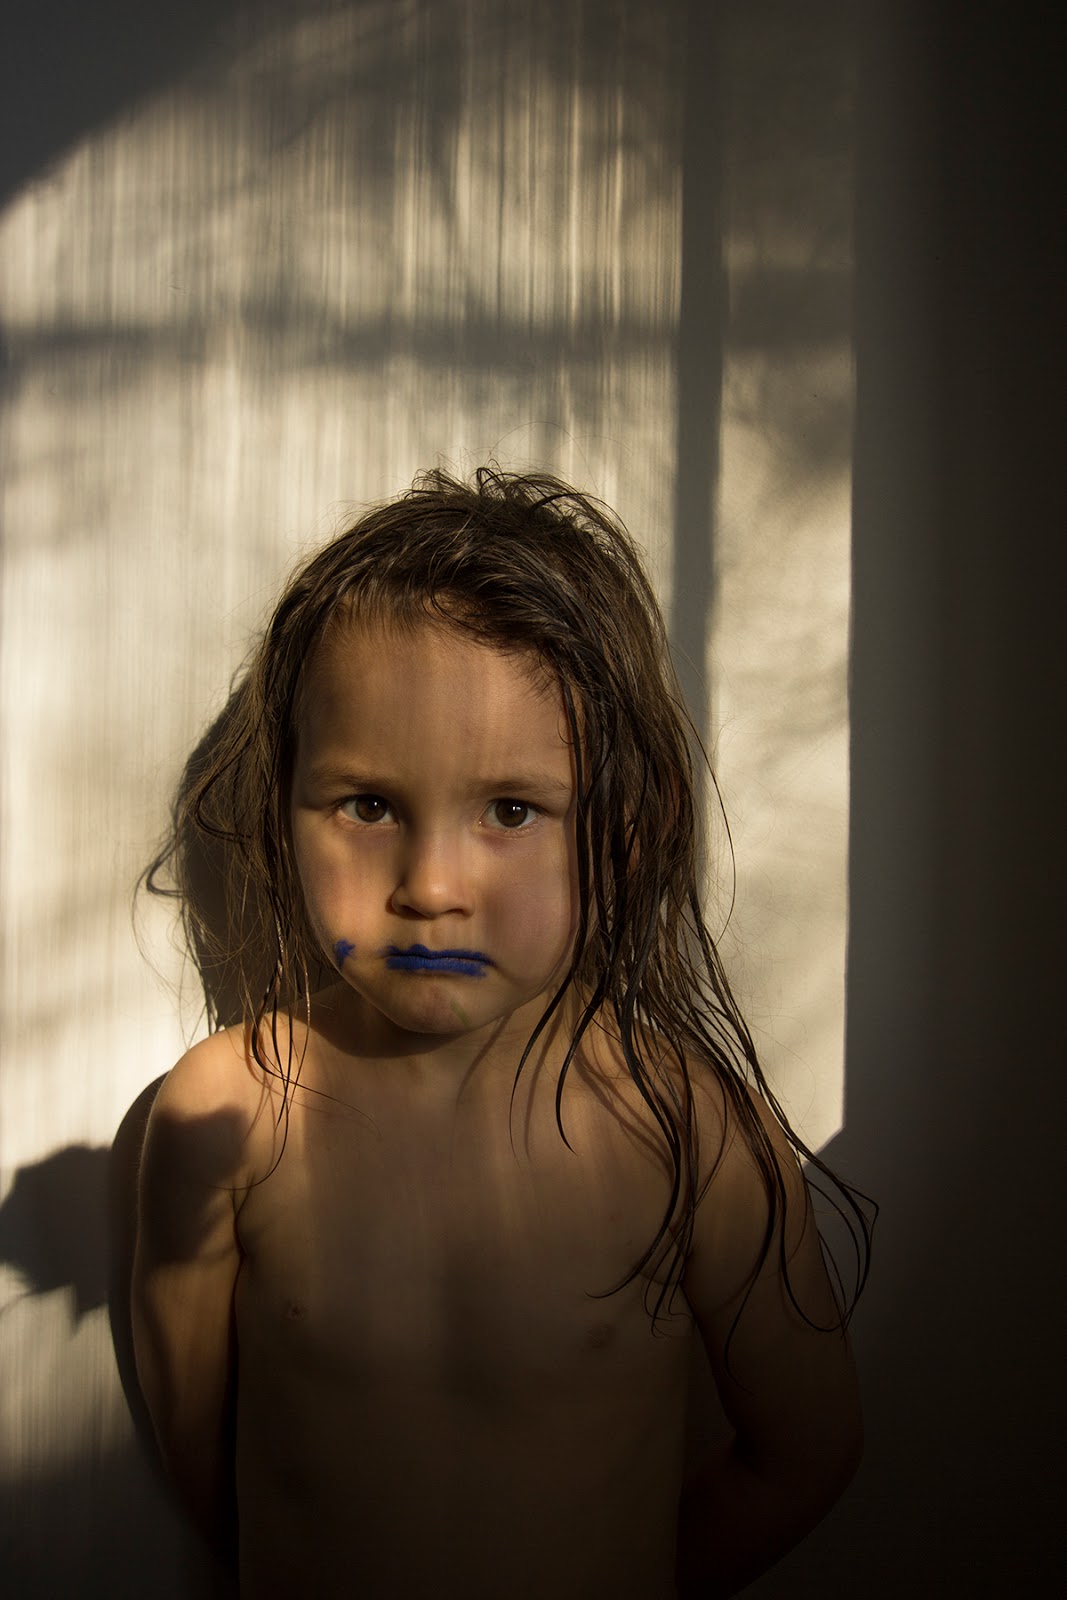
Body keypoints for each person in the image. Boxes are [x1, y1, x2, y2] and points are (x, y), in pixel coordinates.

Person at [132, 467, 872, 1600]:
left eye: (511, 811)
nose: (431, 888)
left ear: (626, 831)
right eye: (367, 805)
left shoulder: (688, 1134)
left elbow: (805, 1452)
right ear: (282, 811)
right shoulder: (226, 1117)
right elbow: (207, 1473)